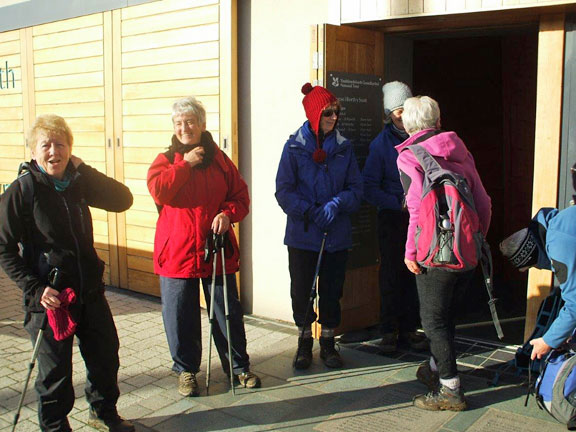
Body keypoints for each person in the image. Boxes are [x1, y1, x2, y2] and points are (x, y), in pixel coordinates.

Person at [0, 115, 135, 432]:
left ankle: (103, 413)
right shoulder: (24, 190)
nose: (53, 152)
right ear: (34, 151)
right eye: (45, 144)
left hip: (89, 292)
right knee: (54, 371)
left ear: (70, 149)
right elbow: (3, 247)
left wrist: (84, 169)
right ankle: (55, 425)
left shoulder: (78, 183)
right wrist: (35, 288)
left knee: (105, 356)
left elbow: (123, 199)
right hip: (50, 299)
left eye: (60, 144)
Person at [147, 96, 260, 397]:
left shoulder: (221, 160)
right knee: (179, 316)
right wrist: (185, 164)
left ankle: (238, 368)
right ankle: (186, 371)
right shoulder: (166, 161)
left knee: (227, 313)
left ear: (202, 124)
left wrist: (227, 214)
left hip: (216, 249)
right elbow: (160, 191)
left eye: (190, 122)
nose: (184, 128)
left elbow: (241, 197)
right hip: (177, 252)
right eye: (179, 123)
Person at [395, 96, 491, 411]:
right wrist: (474, 238)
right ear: (438, 120)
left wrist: (410, 252)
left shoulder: (409, 157)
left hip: (434, 253)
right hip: (465, 250)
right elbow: (483, 201)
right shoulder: (460, 150)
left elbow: (416, 210)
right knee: (447, 316)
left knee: (433, 320)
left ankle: (450, 389)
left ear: (408, 124)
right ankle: (435, 370)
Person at [275, 83, 363, 369]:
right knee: (301, 291)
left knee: (332, 290)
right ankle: (303, 342)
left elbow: (356, 188)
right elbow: (284, 190)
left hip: (336, 235)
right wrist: (310, 211)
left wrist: (337, 204)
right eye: (328, 113)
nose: (333, 118)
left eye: (336, 112)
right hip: (303, 235)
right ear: (314, 114)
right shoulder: (294, 147)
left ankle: (327, 342)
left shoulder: (344, 148)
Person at [362, 81, 428, 352]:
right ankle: (389, 330)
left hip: (420, 217)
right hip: (393, 217)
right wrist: (396, 203)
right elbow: (368, 187)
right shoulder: (381, 144)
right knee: (391, 274)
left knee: (417, 272)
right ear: (389, 113)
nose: (403, 114)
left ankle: (410, 329)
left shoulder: (424, 137)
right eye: (398, 110)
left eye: (406, 108)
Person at [500, 199, 576, 360]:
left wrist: (548, 341)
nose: (541, 268)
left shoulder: (558, 247)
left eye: (534, 265)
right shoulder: (558, 226)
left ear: (533, 255)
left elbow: (575, 304)